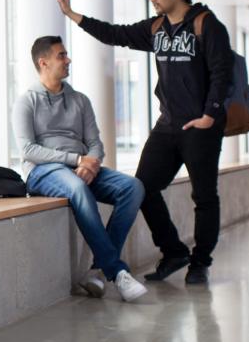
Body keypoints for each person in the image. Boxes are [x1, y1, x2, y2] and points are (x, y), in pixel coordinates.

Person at [56, 0, 234, 285]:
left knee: (204, 196)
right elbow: (115, 33)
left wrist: (210, 115)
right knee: (142, 187)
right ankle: (174, 251)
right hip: (167, 126)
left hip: (201, 126)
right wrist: (73, 15)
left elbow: (223, 73)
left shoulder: (206, 24)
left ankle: (200, 262)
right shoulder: (156, 28)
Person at [11, 35, 148, 302]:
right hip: (44, 171)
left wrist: (91, 164)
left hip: (82, 168)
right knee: (77, 189)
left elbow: (95, 143)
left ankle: (97, 270)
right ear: (43, 62)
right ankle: (117, 271)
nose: (68, 59)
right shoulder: (26, 102)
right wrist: (76, 160)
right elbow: (28, 150)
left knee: (133, 187)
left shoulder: (80, 100)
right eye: (61, 55)